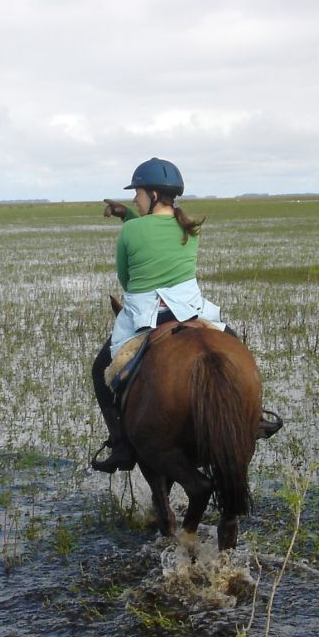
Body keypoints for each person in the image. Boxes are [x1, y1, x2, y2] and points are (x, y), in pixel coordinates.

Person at [90, 158, 225, 473]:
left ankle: (121, 444)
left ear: (151, 194)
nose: (135, 199)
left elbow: (126, 279)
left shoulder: (131, 231)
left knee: (100, 372)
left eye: (137, 193)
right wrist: (131, 217)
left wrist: (129, 221)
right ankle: (255, 415)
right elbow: (153, 233)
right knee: (231, 344)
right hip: (191, 312)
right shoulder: (188, 228)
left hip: (147, 318)